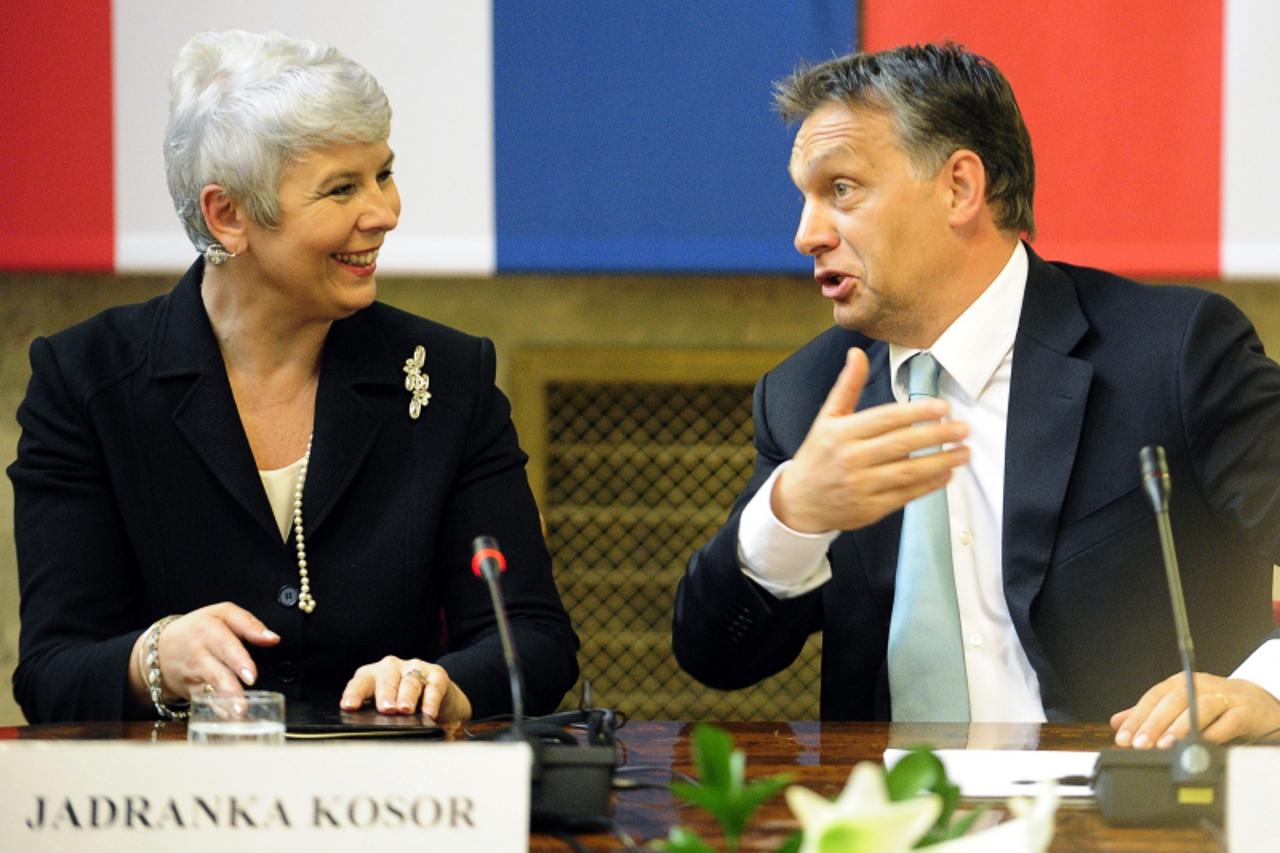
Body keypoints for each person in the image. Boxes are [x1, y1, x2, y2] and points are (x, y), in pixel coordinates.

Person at [673, 43, 1280, 748]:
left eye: (841, 190)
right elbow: (715, 657)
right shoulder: (809, 394)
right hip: (899, 817)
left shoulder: (1172, 353)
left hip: (1128, 807)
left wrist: (1263, 689)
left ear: (960, 187)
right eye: (804, 198)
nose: (806, 233)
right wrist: (790, 517)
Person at [9, 30, 578, 725]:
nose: (385, 212)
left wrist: (447, 681)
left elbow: (535, 640)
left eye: (383, 174)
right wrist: (154, 657)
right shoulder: (85, 382)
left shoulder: (447, 378)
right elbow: (50, 672)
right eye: (341, 189)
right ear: (229, 215)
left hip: (393, 812)